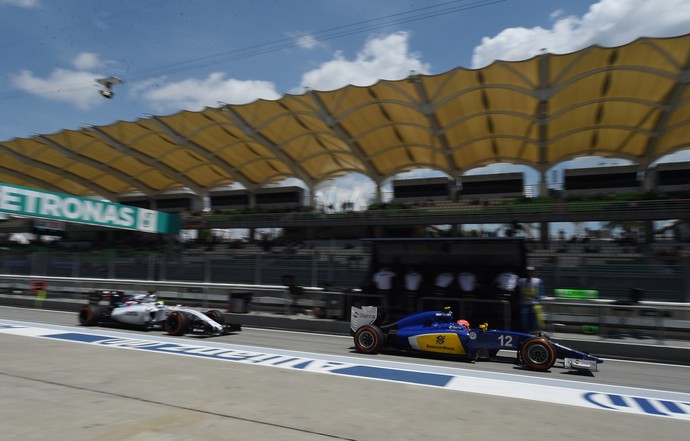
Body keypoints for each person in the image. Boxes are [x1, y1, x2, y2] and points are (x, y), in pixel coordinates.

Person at [517, 266, 544, 331]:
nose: (529, 273)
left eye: (531, 271)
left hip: (535, 305)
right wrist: (519, 301)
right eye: (528, 271)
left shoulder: (538, 281)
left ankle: (535, 337)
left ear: (533, 272)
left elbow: (541, 292)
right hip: (525, 305)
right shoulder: (521, 281)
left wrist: (540, 302)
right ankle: (526, 337)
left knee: (535, 324)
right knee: (525, 323)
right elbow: (519, 292)